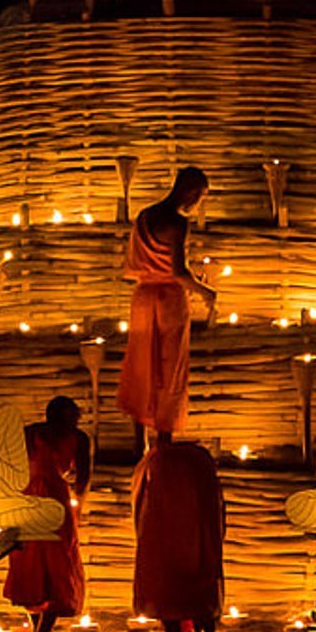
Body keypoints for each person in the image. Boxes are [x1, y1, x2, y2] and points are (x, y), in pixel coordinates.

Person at [118, 167, 216, 444]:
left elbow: (137, 265)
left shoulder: (145, 216)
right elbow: (177, 273)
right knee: (169, 370)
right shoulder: (176, 223)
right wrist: (206, 291)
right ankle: (164, 442)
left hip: (142, 299)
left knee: (141, 367)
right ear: (190, 192)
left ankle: (140, 443)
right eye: (199, 197)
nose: (197, 204)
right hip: (168, 302)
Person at [4, 396, 91, 632]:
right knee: (40, 563)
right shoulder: (35, 433)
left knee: (49, 563)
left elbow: (83, 480)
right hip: (41, 500)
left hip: (39, 499)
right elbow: (83, 480)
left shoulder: (71, 437)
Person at [132, 438, 225, 632]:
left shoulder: (162, 464)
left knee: (175, 586)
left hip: (172, 536)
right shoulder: (188, 464)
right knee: (192, 585)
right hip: (181, 536)